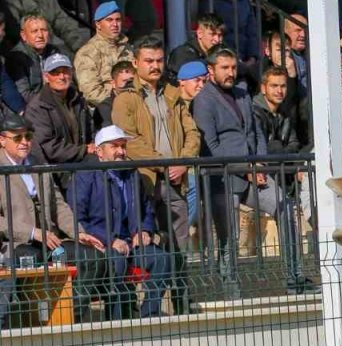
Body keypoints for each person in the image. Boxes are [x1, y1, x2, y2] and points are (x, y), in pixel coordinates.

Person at [193, 47, 311, 296]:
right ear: (211, 70)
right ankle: (230, 288)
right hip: (223, 178)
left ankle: (295, 276)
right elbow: (210, 146)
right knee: (230, 236)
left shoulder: (242, 94)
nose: (230, 73)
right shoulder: (203, 100)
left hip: (252, 171)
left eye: (233, 67)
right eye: (224, 68)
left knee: (286, 208)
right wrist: (245, 170)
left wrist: (258, 164)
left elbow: (256, 132)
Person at [112, 49, 203, 315]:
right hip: (145, 181)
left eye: (159, 61)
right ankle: (147, 307)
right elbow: (129, 140)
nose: (154, 66)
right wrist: (163, 164)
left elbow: (192, 132)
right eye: (149, 61)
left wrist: (183, 161)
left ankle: (182, 303)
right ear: (136, 63)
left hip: (175, 180)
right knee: (149, 245)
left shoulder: (173, 94)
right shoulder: (126, 99)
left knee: (180, 245)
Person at [67, 125, 172, 320]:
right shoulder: (84, 176)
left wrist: (144, 231)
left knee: (162, 259)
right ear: (99, 151)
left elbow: (146, 210)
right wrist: (109, 240)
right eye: (114, 146)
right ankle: (116, 320)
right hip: (101, 244)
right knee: (117, 263)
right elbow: (77, 218)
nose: (121, 152)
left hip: (132, 241)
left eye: (123, 146)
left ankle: (150, 315)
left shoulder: (132, 174)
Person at [0, 115, 95, 327]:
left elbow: (58, 205)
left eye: (28, 136)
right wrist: (32, 232)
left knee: (90, 257)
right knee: (32, 259)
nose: (25, 141)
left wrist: (77, 232)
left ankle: (71, 320)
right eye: (18, 138)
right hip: (16, 243)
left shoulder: (38, 164)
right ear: (2, 139)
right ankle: (28, 324)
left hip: (50, 240)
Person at [74, 1, 133, 106]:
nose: (115, 24)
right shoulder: (87, 53)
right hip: (105, 110)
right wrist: (120, 104)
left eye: (118, 20)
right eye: (109, 20)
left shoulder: (127, 48)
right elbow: (91, 92)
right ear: (98, 24)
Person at [7, 15, 68, 101]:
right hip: (31, 109)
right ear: (23, 35)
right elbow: (23, 95)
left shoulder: (54, 51)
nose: (40, 35)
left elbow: (68, 80)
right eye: (34, 31)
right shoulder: (16, 58)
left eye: (44, 30)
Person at [164, 13, 224, 87]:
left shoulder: (221, 50)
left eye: (220, 35)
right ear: (199, 33)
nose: (217, 40)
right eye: (212, 34)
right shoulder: (183, 53)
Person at [95, 60, 136, 129]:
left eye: (132, 81)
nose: (129, 85)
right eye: (124, 81)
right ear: (113, 83)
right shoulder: (106, 108)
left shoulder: (142, 101)